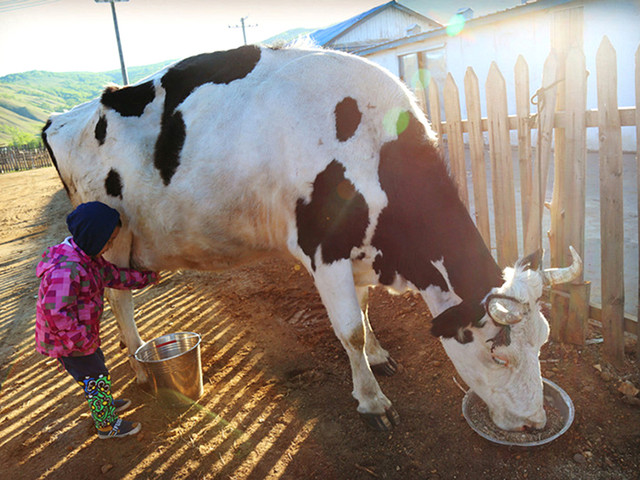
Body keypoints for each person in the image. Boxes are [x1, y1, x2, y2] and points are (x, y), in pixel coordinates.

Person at [35, 201, 159, 439]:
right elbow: (55, 314)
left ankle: (105, 405)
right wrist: (81, 342)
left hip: (81, 336)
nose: (111, 245)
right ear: (93, 237)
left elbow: (114, 276)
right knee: (95, 376)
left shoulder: (88, 258)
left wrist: (147, 278)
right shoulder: (66, 269)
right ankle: (106, 425)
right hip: (69, 342)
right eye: (109, 240)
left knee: (97, 372)